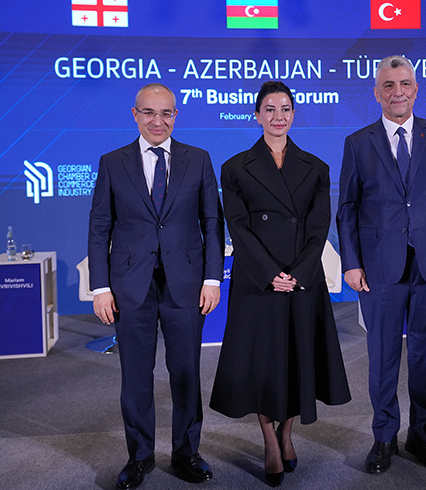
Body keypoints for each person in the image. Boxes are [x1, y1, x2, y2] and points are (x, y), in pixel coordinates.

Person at [210, 81, 351, 487]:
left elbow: (319, 226)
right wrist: (270, 273)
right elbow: (237, 226)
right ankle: (269, 439)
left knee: (296, 359)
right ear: (257, 115)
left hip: (302, 280)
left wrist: (298, 273)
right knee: (262, 363)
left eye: (285, 108)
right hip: (258, 281)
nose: (278, 116)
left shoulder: (316, 167)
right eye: (269, 109)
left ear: (293, 114)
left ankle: (286, 432)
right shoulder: (235, 167)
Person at [336, 55, 426, 475]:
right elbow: (347, 209)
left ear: (416, 89)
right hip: (379, 268)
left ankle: (423, 436)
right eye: (389, 85)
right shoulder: (358, 142)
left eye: (405, 84)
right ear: (377, 93)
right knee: (382, 357)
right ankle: (384, 438)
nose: (398, 92)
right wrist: (351, 263)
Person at [87, 82, 224, 489]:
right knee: (135, 376)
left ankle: (187, 453)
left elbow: (212, 222)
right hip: (130, 286)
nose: (157, 121)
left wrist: (212, 278)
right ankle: (139, 457)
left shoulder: (198, 159)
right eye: (149, 112)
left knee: (186, 374)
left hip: (186, 284)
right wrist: (100, 287)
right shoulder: (112, 162)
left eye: (166, 113)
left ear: (175, 116)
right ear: (135, 115)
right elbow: (99, 227)